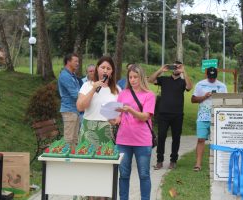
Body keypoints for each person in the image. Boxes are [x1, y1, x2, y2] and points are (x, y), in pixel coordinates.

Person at [109, 64, 156, 200]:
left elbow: (145, 116)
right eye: (130, 77)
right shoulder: (123, 94)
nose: (132, 80)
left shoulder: (149, 95)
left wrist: (130, 110)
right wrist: (112, 119)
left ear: (141, 77)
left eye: (135, 77)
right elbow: (119, 117)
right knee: (123, 175)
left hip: (142, 141)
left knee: (144, 174)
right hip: (123, 140)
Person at [148, 61, 193, 170]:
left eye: (178, 67)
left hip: (177, 114)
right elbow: (150, 80)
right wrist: (161, 70)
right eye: (174, 66)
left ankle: (173, 161)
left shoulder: (182, 82)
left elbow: (189, 87)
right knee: (161, 137)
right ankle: (159, 161)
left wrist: (184, 71)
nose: (176, 68)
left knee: (176, 138)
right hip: (163, 114)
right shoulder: (164, 80)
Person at [77, 56, 120, 147]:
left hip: (108, 130)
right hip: (89, 129)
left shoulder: (117, 89)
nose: (105, 71)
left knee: (108, 159)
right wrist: (93, 89)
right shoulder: (87, 85)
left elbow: (119, 112)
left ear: (112, 72)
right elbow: (80, 107)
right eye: (102, 67)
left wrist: (117, 118)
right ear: (97, 68)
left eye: (108, 68)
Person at [191, 67, 227, 172]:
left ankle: (218, 164)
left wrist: (218, 97)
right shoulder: (200, 84)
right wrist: (204, 96)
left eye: (214, 77)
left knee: (217, 141)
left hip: (218, 117)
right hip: (203, 116)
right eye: (210, 77)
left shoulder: (222, 86)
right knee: (201, 139)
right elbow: (193, 99)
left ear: (217, 75)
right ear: (207, 75)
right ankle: (198, 164)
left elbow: (226, 101)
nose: (212, 79)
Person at [58, 53, 81, 148]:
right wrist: (87, 98)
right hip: (69, 111)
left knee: (75, 139)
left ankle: (74, 161)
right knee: (69, 139)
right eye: (75, 61)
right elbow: (75, 94)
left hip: (74, 110)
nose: (77, 63)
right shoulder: (65, 76)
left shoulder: (72, 75)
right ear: (68, 62)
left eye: (78, 61)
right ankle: (67, 161)